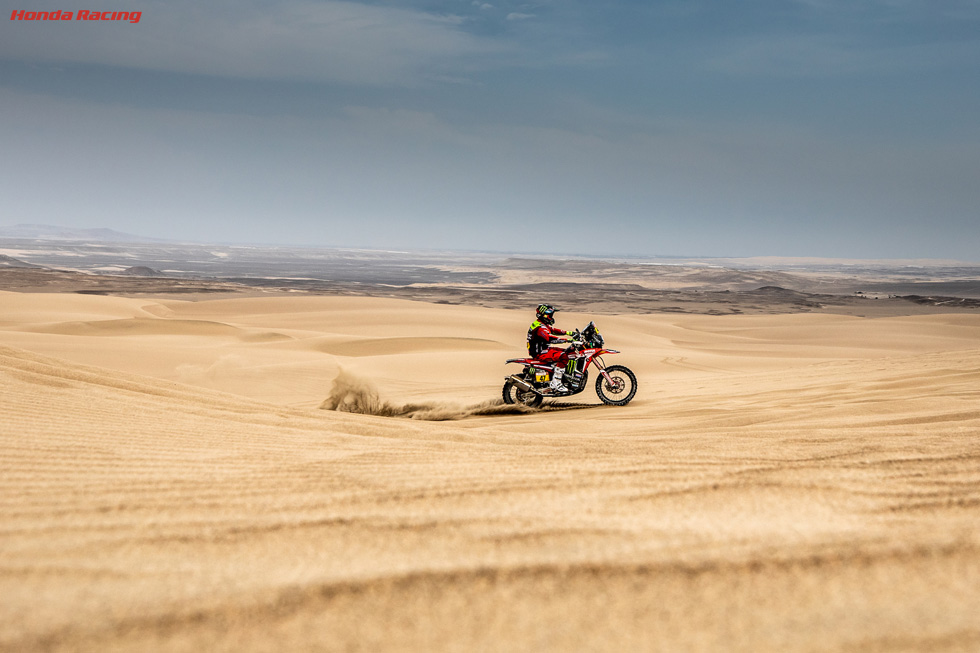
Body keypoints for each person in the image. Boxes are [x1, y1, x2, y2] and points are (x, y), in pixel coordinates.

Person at [527, 304, 575, 392]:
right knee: (563, 356)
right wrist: (568, 340)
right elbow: (550, 338)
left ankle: (563, 377)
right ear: (544, 315)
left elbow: (553, 330)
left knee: (569, 352)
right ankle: (556, 383)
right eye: (550, 315)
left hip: (544, 350)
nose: (551, 317)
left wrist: (569, 333)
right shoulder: (539, 328)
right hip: (540, 353)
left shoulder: (541, 324)